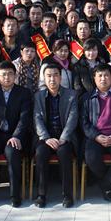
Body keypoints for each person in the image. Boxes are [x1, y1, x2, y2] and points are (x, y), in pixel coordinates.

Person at [0, 61, 32, 208]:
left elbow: (25, 118)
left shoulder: (23, 93)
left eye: (10, 74)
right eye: (3, 75)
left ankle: (15, 196)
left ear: (15, 76)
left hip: (15, 135)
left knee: (12, 152)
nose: (7, 77)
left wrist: (16, 136)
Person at [80, 64, 111, 201]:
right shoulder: (87, 97)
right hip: (96, 137)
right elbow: (83, 122)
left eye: (106, 75)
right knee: (91, 158)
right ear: (94, 78)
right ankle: (109, 183)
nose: (103, 79)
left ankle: (105, 184)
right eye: (100, 76)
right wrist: (96, 136)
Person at [33, 63, 78, 208]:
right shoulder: (38, 96)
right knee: (41, 153)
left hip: (64, 136)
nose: (52, 79)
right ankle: (41, 195)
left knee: (64, 153)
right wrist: (46, 138)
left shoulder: (71, 95)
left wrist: (63, 137)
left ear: (60, 77)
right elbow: (37, 118)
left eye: (55, 75)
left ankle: (67, 195)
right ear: (44, 78)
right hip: (45, 136)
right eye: (49, 76)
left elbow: (72, 118)